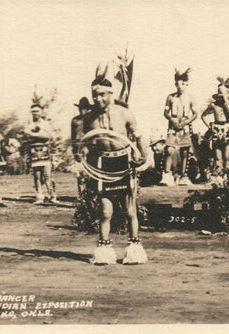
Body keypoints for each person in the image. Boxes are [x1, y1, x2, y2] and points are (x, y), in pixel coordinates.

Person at [82, 67, 149, 265]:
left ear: (110, 93)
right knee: (105, 211)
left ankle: (134, 251)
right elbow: (85, 145)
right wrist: (83, 162)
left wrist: (144, 156)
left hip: (124, 162)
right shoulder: (89, 119)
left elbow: (139, 137)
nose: (98, 99)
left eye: (102, 94)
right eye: (95, 95)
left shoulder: (124, 113)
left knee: (130, 211)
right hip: (102, 165)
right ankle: (104, 252)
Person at [160, 68, 198, 186]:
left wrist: (185, 123)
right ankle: (167, 175)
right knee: (169, 150)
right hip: (173, 128)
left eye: (182, 84)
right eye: (177, 84)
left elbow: (195, 113)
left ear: (186, 84)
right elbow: (166, 112)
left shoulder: (190, 97)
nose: (179, 86)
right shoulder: (171, 97)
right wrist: (173, 120)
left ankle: (183, 176)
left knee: (185, 152)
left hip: (185, 128)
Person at [24, 104, 59, 204]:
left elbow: (49, 136)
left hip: (44, 151)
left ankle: (52, 196)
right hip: (34, 152)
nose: (35, 113)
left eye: (37, 111)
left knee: (47, 175)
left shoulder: (45, 123)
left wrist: (34, 135)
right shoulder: (28, 124)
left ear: (41, 112)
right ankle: (39, 196)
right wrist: (40, 135)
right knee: (37, 176)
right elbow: (26, 134)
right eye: (33, 111)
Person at [201, 77, 229, 174]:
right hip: (216, 129)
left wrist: (226, 103)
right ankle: (218, 175)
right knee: (218, 156)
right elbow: (203, 116)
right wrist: (209, 127)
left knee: (226, 156)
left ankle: (226, 175)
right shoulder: (214, 105)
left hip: (226, 128)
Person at [71, 97, 91, 194]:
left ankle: (90, 193)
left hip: (88, 148)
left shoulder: (92, 119)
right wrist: (73, 148)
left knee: (89, 173)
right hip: (77, 147)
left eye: (84, 108)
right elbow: (72, 135)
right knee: (79, 173)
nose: (82, 110)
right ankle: (81, 194)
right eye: (80, 108)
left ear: (88, 109)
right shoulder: (75, 120)